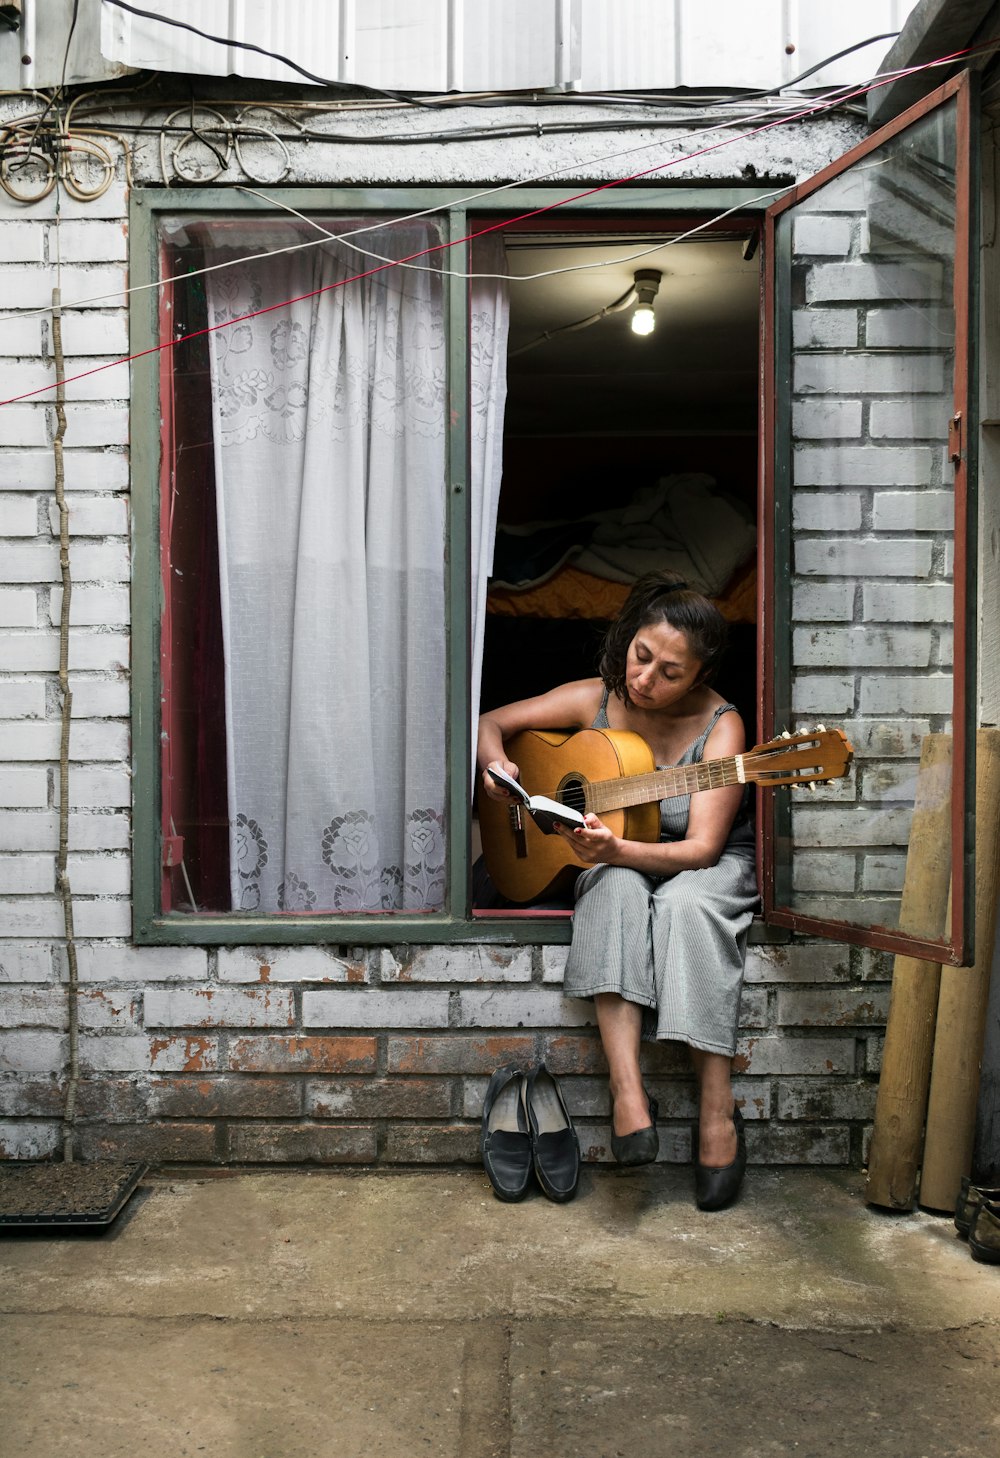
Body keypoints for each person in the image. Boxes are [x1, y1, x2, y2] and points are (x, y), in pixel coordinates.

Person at [476, 571, 759, 1210]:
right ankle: (627, 1091)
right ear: (628, 638)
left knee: (687, 906)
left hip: (704, 864)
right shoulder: (595, 700)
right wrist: (498, 767)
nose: (644, 680)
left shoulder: (723, 730)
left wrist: (616, 849)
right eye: (641, 656)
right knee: (611, 887)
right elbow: (489, 721)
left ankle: (718, 1112)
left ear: (700, 675)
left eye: (670, 673)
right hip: (618, 857)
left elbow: (701, 851)